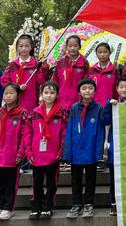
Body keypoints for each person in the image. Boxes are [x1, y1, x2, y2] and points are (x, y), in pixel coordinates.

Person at [25, 81, 68, 219]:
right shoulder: (34, 113)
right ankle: (36, 206)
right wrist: (29, 152)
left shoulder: (61, 113)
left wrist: (61, 151)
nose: (49, 96)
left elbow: (63, 134)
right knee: (37, 183)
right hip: (37, 155)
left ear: (57, 95)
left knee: (51, 183)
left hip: (53, 154)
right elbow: (28, 133)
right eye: (46, 93)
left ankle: (47, 207)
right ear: (41, 94)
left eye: (52, 93)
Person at [63, 78, 104, 219]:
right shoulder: (74, 108)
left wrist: (99, 153)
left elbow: (100, 132)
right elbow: (69, 130)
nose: (87, 91)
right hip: (76, 150)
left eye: (90, 88)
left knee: (91, 180)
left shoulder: (98, 108)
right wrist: (67, 152)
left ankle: (88, 205)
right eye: (84, 88)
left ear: (95, 91)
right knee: (76, 180)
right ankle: (76, 204)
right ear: (79, 91)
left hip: (91, 150)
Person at [103, 75, 126, 217]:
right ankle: (114, 204)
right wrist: (109, 106)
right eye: (121, 87)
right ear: (116, 89)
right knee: (114, 178)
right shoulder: (112, 104)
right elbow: (105, 120)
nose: (124, 89)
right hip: (115, 147)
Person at [0, 83, 28, 221]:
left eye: (11, 93)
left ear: (18, 95)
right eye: (6, 93)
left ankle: (8, 207)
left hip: (12, 154)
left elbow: (25, 135)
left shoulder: (23, 113)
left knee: (10, 183)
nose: (8, 96)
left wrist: (20, 153)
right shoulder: (0, 112)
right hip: (0, 153)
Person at [1, 34, 47, 111]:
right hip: (14, 102)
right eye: (21, 46)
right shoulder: (12, 65)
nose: (24, 48)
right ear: (17, 48)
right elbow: (4, 81)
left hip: (30, 101)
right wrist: (16, 88)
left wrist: (44, 68)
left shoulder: (36, 65)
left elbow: (42, 81)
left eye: (26, 46)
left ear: (31, 47)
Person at [53, 35, 89, 110]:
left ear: (80, 47)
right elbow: (55, 81)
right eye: (70, 46)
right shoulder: (61, 62)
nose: (72, 48)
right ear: (66, 47)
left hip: (78, 101)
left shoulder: (84, 62)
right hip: (62, 101)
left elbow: (87, 83)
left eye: (75, 46)